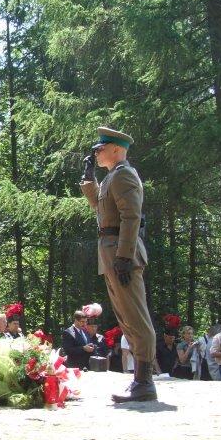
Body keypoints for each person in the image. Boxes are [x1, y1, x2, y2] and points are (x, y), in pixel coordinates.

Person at [80, 127, 157, 402]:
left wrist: (124, 256)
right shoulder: (113, 177)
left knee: (136, 316)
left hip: (121, 253)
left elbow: (131, 217)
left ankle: (145, 381)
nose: (96, 153)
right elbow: (100, 210)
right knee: (126, 316)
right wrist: (89, 179)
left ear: (115, 149)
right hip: (111, 251)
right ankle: (140, 380)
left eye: (100, 148)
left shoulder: (124, 174)